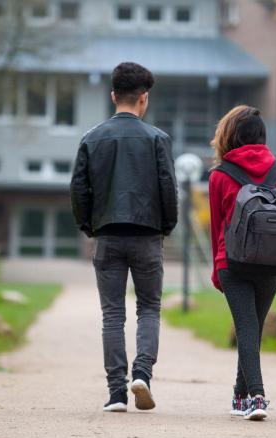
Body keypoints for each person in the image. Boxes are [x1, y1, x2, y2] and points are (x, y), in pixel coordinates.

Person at [71, 62, 178, 413]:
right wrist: (166, 226)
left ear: (113, 95)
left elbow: (79, 190)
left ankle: (116, 392)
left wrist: (89, 226)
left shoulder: (91, 138)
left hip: (108, 235)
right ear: (144, 98)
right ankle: (142, 373)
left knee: (112, 314)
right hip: (147, 236)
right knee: (149, 307)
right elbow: (168, 190)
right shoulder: (158, 140)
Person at [208, 106, 276, 421]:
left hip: (234, 262)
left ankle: (256, 396)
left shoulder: (219, 175)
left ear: (230, 136)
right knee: (251, 328)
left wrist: (218, 270)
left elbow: (218, 227)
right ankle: (239, 395)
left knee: (246, 327)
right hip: (272, 263)